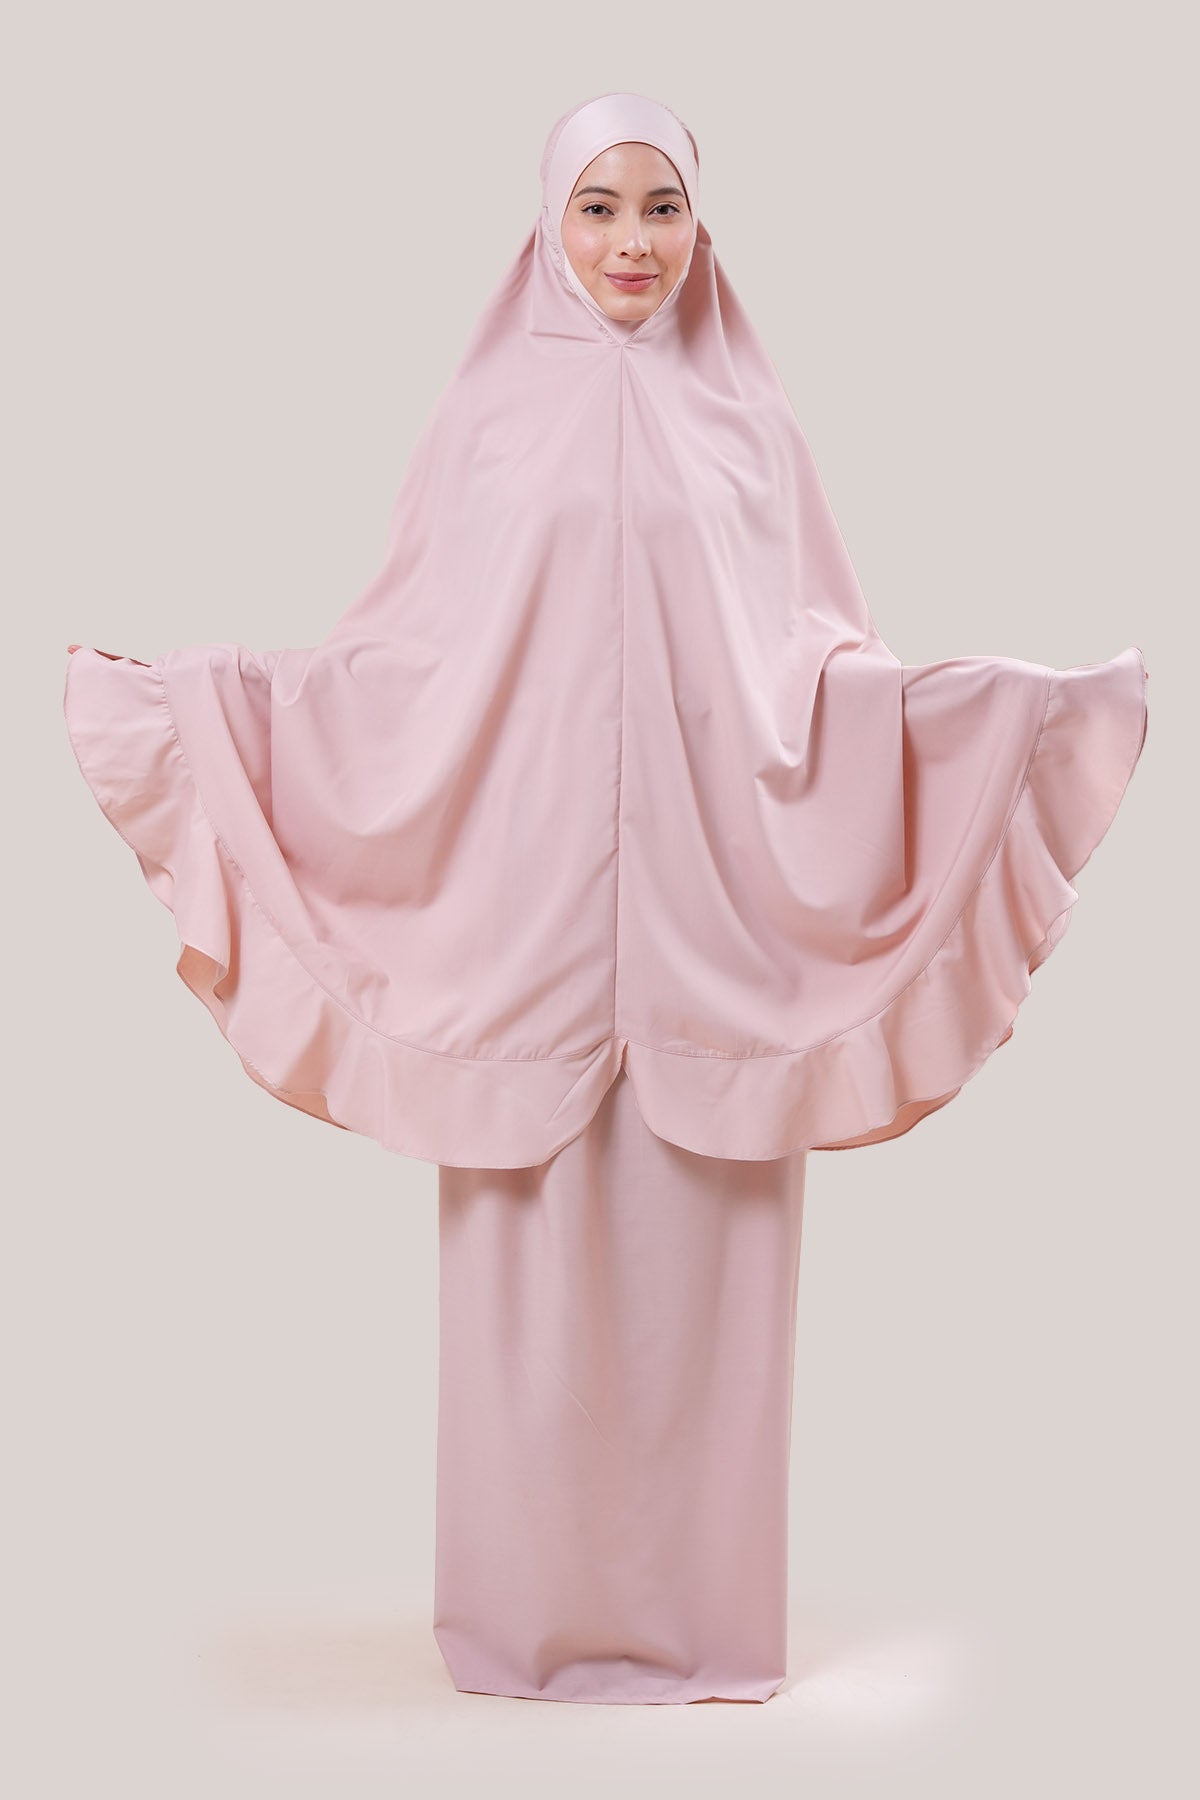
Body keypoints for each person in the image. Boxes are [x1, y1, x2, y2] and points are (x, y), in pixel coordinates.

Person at [64, 92, 1149, 1705]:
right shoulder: (488, 422)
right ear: (547, 224)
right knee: (526, 1297)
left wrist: (991, 711)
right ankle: (520, 1630)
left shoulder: (751, 426)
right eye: (598, 206)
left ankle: (708, 1632)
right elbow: (405, 662)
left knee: (709, 1293)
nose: (633, 241)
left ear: (701, 225)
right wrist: (219, 704)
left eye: (660, 207)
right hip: (524, 927)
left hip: (719, 928)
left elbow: (816, 666)